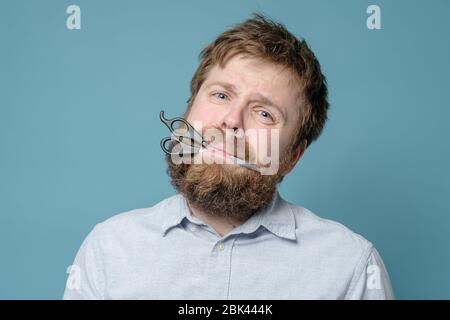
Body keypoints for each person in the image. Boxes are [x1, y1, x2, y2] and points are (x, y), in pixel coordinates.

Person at [64, 14, 394, 300]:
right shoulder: (107, 249)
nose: (231, 120)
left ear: (292, 157)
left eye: (264, 113)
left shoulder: (352, 266)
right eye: (220, 95)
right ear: (188, 110)